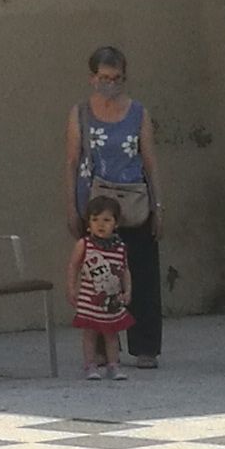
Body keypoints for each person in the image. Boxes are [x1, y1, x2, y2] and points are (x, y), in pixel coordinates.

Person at [66, 45, 164, 370]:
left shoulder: (138, 112)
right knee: (97, 277)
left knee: (141, 273)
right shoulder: (81, 113)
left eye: (117, 78)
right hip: (95, 205)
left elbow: (149, 159)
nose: (111, 84)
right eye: (105, 78)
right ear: (93, 78)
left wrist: (158, 205)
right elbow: (71, 162)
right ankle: (103, 349)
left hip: (134, 198)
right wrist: (71, 206)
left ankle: (145, 345)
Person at [70, 196, 133, 381]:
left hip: (112, 300)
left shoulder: (120, 248)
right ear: (88, 223)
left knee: (111, 333)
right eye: (95, 219)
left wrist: (128, 291)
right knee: (90, 333)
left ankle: (113, 365)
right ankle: (90, 365)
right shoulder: (85, 244)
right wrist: (71, 288)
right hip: (90, 300)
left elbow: (125, 270)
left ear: (116, 223)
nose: (101, 225)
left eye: (106, 220)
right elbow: (73, 266)